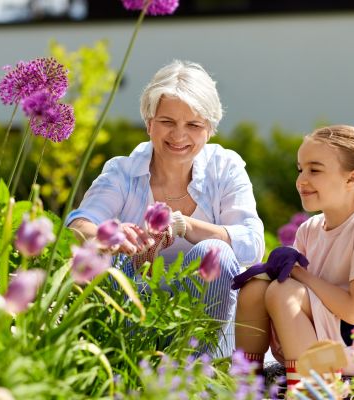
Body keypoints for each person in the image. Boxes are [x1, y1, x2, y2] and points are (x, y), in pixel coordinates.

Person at [67, 60, 265, 356]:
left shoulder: (225, 167)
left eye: (194, 125)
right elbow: (78, 226)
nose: (179, 135)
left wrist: (185, 225)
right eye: (167, 122)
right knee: (110, 261)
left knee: (217, 252)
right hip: (135, 309)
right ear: (149, 123)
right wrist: (110, 234)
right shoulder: (122, 171)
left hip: (204, 321)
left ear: (209, 130)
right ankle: (128, 363)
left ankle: (198, 374)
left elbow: (252, 245)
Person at [234, 125, 354, 388]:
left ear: (352, 179)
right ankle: (245, 384)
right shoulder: (309, 229)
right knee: (255, 288)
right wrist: (273, 270)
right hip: (327, 337)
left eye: (315, 170)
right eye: (300, 169)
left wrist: (298, 272)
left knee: (282, 291)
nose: (301, 180)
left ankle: (309, 389)